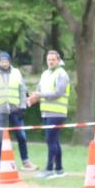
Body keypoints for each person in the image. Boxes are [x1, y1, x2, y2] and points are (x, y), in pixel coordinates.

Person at [0, 52, 36, 171]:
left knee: (21, 136)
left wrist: (23, 107)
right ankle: (2, 162)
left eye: (6, 61)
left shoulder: (16, 72)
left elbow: (22, 90)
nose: (4, 63)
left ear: (9, 61)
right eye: (2, 61)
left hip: (15, 109)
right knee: (0, 137)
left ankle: (26, 161)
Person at [27, 50, 70, 179]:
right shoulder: (45, 74)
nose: (50, 62)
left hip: (57, 113)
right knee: (54, 141)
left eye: (53, 59)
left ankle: (49, 169)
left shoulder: (62, 74)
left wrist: (39, 95)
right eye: (48, 59)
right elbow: (39, 91)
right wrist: (31, 99)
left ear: (58, 60)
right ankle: (59, 169)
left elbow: (58, 93)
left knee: (50, 140)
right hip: (46, 112)